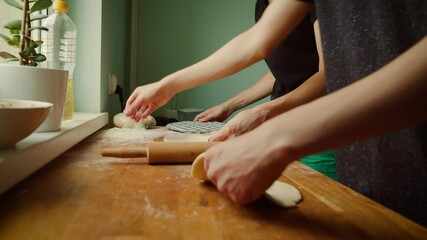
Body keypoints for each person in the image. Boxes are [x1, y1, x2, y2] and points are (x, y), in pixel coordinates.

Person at [201, 0, 427, 227]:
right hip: (358, 151)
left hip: (409, 151)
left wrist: (274, 133)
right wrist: (173, 85)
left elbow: (326, 71)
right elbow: (258, 45)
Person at [194, 0, 337, 180]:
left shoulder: (319, 5)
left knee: (324, 199)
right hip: (280, 125)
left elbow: (329, 75)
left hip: (319, 125)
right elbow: (284, 68)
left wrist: (262, 112)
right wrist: (229, 106)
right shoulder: (262, 5)